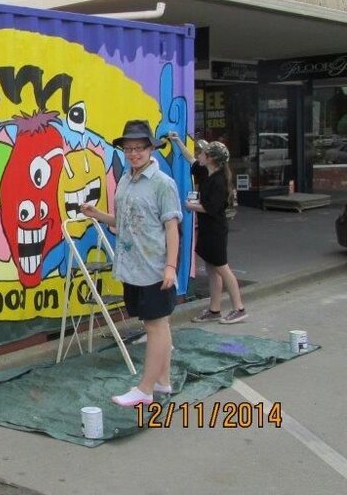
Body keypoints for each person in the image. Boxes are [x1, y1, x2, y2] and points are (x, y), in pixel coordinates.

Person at [81, 120, 181, 407]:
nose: (134, 153)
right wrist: (98, 214)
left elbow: (172, 228)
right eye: (128, 148)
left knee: (155, 326)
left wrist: (171, 267)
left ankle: (145, 389)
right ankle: (163, 383)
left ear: (151, 148)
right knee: (157, 323)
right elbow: (124, 223)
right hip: (131, 266)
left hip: (155, 267)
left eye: (139, 147)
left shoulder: (163, 184)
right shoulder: (125, 179)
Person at [169, 134, 247, 323]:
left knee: (222, 269)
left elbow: (212, 208)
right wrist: (178, 141)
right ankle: (214, 309)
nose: (199, 154)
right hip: (207, 228)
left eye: (203, 152)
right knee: (212, 270)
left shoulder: (219, 181)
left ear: (210, 158)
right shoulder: (207, 171)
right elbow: (190, 159)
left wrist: (190, 206)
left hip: (215, 230)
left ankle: (239, 308)